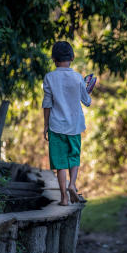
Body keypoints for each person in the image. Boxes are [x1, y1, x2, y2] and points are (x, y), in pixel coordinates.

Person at [42, 41, 92, 206]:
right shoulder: (78, 77)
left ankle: (64, 197)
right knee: (74, 157)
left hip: (56, 126)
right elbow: (87, 101)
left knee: (60, 163)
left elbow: (47, 103)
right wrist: (87, 89)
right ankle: (72, 184)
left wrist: (45, 126)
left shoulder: (49, 77)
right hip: (75, 126)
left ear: (54, 59)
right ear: (72, 57)